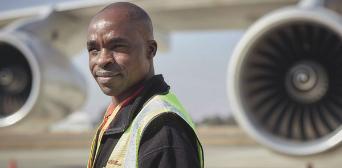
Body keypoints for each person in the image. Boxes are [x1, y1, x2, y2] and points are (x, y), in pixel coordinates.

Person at [86, 2, 203, 168]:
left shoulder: (163, 129)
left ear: (150, 50)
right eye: (94, 49)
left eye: (118, 46)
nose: (102, 60)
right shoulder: (120, 116)